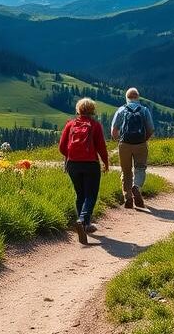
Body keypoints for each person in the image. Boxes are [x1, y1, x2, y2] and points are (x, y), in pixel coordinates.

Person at [58, 97, 110, 245]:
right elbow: (101, 148)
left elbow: (62, 147)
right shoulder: (95, 125)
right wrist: (106, 163)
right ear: (93, 110)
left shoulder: (70, 125)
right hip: (90, 164)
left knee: (80, 194)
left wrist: (69, 157)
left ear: (78, 110)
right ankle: (82, 220)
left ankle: (85, 225)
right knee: (90, 195)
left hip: (73, 165)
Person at [111, 87, 154, 209]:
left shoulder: (121, 110)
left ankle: (128, 196)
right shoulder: (144, 110)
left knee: (126, 170)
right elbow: (150, 129)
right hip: (140, 143)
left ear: (127, 98)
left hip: (124, 144)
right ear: (138, 97)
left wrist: (119, 140)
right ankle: (137, 187)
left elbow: (114, 130)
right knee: (140, 168)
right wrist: (144, 140)